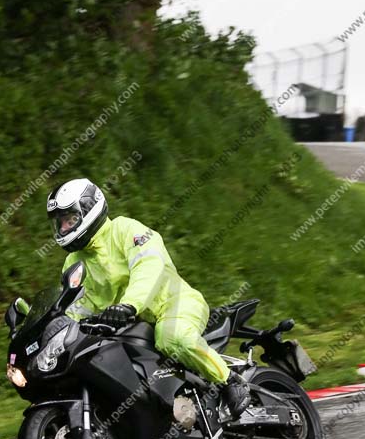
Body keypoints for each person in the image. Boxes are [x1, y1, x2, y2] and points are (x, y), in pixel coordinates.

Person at [47, 178, 251, 417]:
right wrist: (57, 331)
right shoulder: (74, 262)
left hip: (174, 304)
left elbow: (148, 266)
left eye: (69, 219)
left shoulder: (126, 230)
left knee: (171, 337)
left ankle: (231, 380)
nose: (63, 228)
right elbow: (77, 303)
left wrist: (130, 305)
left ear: (89, 208)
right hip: (130, 327)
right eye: (60, 223)